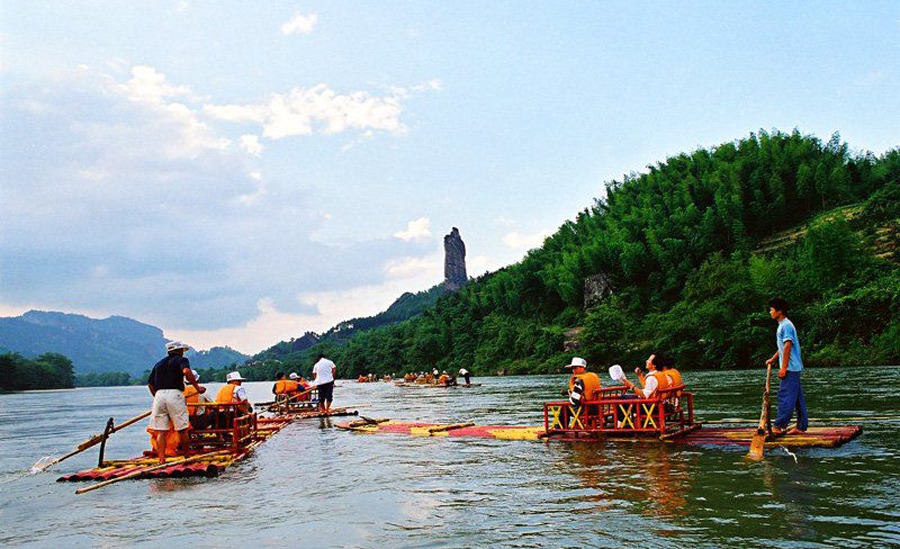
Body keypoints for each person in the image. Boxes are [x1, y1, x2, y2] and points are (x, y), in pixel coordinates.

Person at [147, 341, 205, 464]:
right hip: (175, 394)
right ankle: (187, 457)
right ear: (179, 351)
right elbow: (186, 372)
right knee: (182, 429)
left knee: (161, 431)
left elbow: (150, 384)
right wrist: (197, 387)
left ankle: (161, 460)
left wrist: (156, 397)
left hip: (159, 395)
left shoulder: (159, 364)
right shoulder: (181, 360)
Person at [765, 298, 808, 434]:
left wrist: (783, 368)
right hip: (792, 367)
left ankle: (778, 426)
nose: (770, 312)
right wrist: (773, 359)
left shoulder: (786, 326)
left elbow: (788, 346)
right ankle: (801, 426)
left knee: (785, 396)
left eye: (772, 309)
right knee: (796, 398)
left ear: (780, 311)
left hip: (790, 368)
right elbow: (783, 347)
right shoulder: (782, 325)